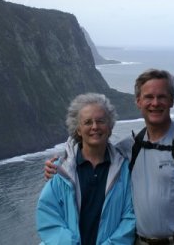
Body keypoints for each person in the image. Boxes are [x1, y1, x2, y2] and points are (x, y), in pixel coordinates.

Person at [45, 69, 174, 245]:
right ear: (138, 101)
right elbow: (93, 152)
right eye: (148, 97)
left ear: (172, 101)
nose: (155, 103)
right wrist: (61, 166)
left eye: (162, 96)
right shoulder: (128, 148)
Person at [36, 93, 136, 245]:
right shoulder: (60, 170)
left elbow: (130, 217)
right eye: (88, 122)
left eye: (101, 121)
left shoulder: (124, 170)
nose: (95, 127)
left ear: (110, 127)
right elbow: (48, 216)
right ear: (78, 130)